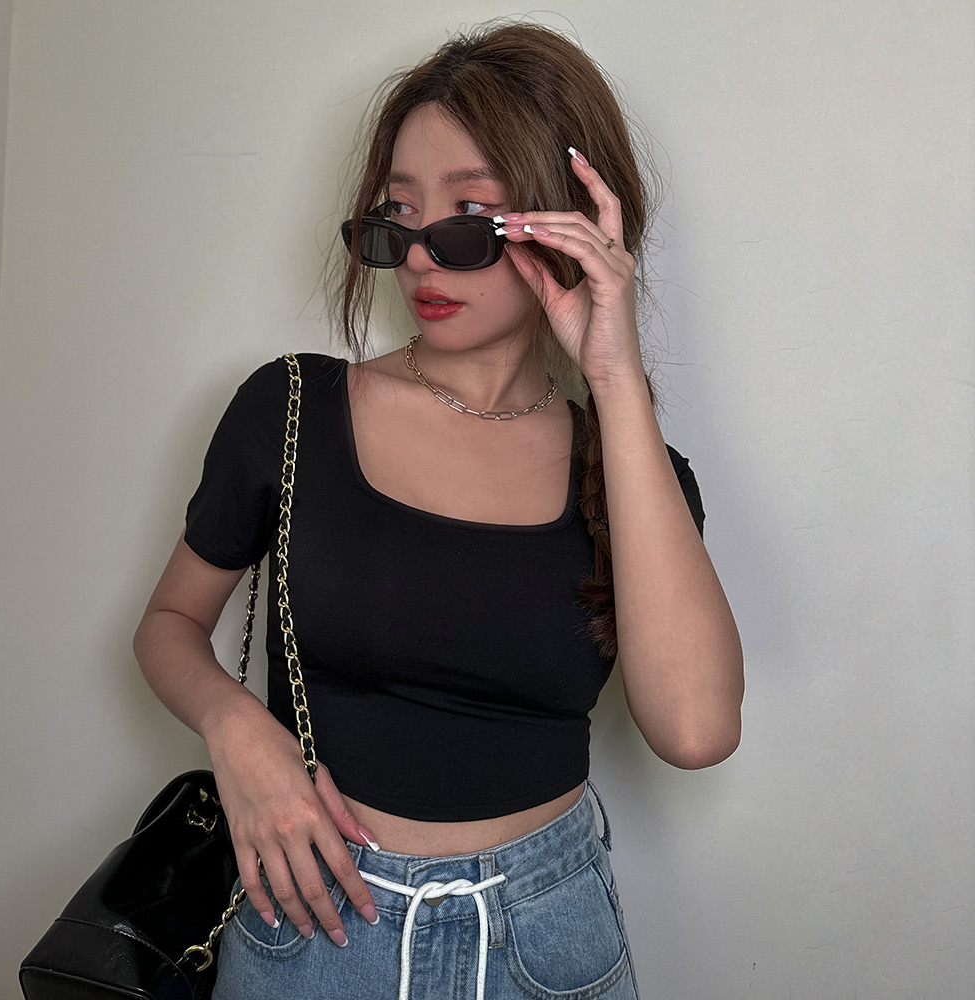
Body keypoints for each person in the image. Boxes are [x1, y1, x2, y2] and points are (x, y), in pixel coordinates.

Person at [133, 19, 744, 1000]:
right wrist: (237, 730)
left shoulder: (630, 469)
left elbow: (696, 730)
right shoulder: (292, 410)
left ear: (569, 226)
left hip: (548, 935)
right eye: (395, 219)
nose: (420, 259)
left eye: (467, 220)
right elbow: (168, 622)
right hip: (314, 922)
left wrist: (616, 377)